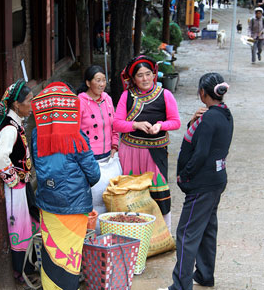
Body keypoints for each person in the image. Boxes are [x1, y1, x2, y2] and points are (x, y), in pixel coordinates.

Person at [158, 73, 233, 290]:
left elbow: (199, 154)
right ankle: (205, 275)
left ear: (202, 93)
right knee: (208, 229)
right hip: (216, 180)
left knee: (186, 233)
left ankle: (180, 285)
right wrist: (194, 121)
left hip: (202, 184)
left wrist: (184, 175)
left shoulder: (209, 118)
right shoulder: (224, 113)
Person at [31, 81, 100, 290]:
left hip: (47, 203)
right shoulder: (76, 137)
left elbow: (38, 166)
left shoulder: (36, 135)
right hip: (73, 206)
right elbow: (94, 174)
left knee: (51, 253)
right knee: (69, 256)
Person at [113, 55, 181, 231]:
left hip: (155, 152)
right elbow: (117, 123)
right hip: (130, 151)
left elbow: (176, 121)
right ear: (133, 78)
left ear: (154, 74)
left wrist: (160, 125)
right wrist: (135, 124)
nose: (145, 79)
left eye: (148, 74)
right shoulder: (126, 96)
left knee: (159, 192)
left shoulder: (165, 94)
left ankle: (163, 233)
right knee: (132, 195)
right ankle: (133, 232)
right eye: (140, 75)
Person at [0, 79, 39, 281]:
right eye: (29, 101)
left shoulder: (16, 123)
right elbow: (0, 157)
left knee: (27, 223)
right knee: (18, 225)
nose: (32, 105)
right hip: (15, 188)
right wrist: (13, 180)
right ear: (15, 104)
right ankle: (19, 270)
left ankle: (25, 267)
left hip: (22, 185)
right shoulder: (10, 129)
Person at [78, 65, 119, 160]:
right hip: (88, 155)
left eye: (104, 80)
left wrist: (115, 145)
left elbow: (114, 126)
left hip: (109, 152)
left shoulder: (107, 99)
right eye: (98, 80)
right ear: (88, 83)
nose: (102, 84)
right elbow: (76, 131)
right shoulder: (80, 102)